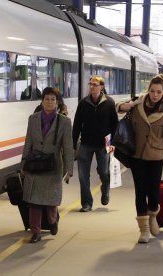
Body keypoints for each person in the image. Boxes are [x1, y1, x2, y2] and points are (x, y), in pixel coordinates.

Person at [117, 74, 163, 243]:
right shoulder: (137, 105)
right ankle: (143, 231)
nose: (154, 95)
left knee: (153, 194)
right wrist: (125, 105)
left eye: (158, 92)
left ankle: (153, 215)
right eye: (152, 91)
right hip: (137, 155)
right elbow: (117, 108)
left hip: (156, 157)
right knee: (140, 192)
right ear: (148, 90)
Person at [21, 87, 73, 243]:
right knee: (34, 202)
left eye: (53, 99)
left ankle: (52, 221)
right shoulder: (33, 118)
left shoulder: (64, 122)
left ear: (57, 103)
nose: (49, 102)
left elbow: (68, 147)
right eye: (47, 99)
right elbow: (28, 142)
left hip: (52, 166)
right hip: (35, 164)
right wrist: (23, 163)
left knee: (51, 202)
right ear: (42, 101)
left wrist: (69, 169)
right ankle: (35, 231)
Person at [72, 75, 118, 212]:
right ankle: (86, 203)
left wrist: (113, 142)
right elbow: (77, 124)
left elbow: (115, 124)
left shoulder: (109, 103)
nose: (92, 87)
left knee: (104, 171)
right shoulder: (83, 103)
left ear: (102, 87)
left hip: (104, 144)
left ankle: (105, 188)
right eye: (90, 84)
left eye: (95, 85)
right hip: (86, 143)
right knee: (82, 175)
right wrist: (74, 144)